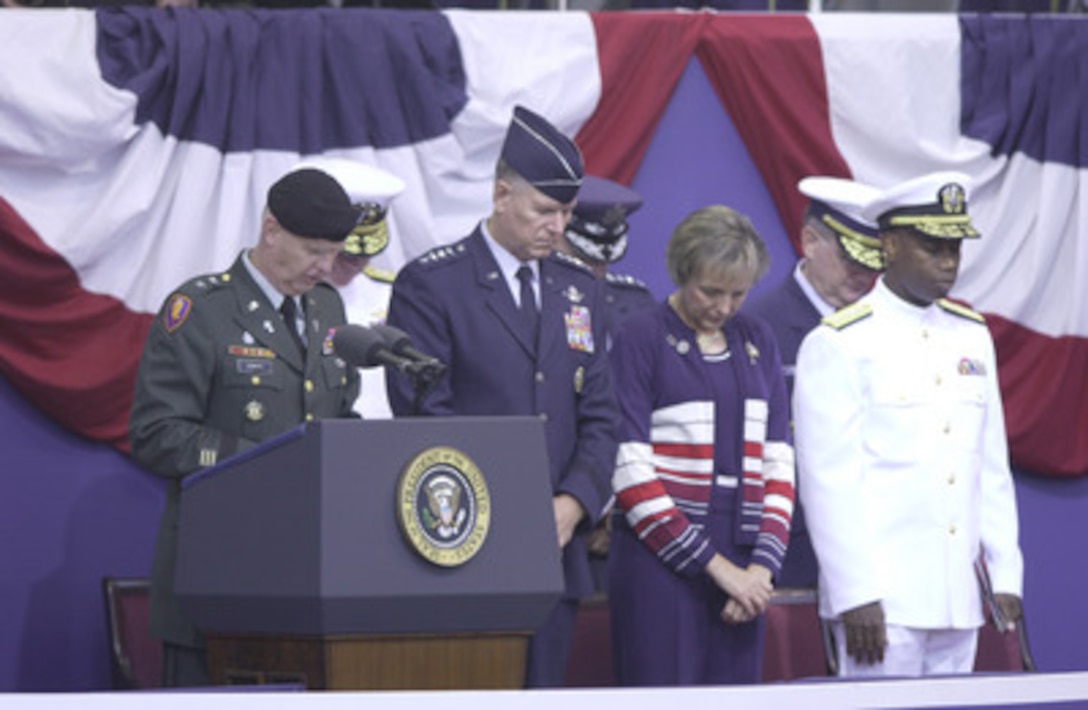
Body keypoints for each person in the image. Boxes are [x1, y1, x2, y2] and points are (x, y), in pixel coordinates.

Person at [384, 105, 617, 688]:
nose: (559, 226)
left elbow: (601, 415)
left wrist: (574, 501)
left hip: (556, 550)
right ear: (500, 195)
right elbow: (423, 413)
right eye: (545, 210)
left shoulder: (578, 288)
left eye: (566, 211)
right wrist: (502, 510)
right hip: (463, 546)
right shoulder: (433, 285)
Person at [128, 166, 363, 687]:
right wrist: (258, 461)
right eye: (313, 250)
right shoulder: (202, 310)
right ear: (271, 229)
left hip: (307, 579)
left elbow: (336, 412)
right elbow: (154, 431)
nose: (326, 266)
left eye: (334, 252)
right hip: (218, 574)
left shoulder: (327, 307)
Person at [793, 170, 1024, 678]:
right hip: (882, 601)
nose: (948, 262)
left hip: (955, 596)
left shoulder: (971, 335)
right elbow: (830, 482)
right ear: (891, 245)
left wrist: (1005, 572)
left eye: (955, 249)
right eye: (932, 248)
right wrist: (856, 593)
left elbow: (990, 467)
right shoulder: (839, 342)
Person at [608, 205, 795, 686]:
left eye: (738, 294)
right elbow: (628, 469)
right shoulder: (639, 337)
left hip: (745, 553)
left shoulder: (758, 339)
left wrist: (760, 570)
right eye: (710, 291)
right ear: (681, 270)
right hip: (659, 560)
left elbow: (778, 462)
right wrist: (718, 569)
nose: (724, 308)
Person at [744, 175, 882, 589]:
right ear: (809, 241)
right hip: (792, 548)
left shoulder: (885, 329)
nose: (863, 275)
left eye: (873, 263)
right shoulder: (756, 327)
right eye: (851, 259)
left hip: (877, 543)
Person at [555, 174, 655, 591]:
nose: (597, 271)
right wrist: (587, 502)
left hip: (628, 513)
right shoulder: (533, 303)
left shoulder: (636, 304)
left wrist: (618, 506)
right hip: (560, 502)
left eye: (604, 260)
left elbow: (642, 411)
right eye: (585, 257)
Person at [300, 156, 406, 419]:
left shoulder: (393, 293)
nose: (355, 263)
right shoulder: (287, 293)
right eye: (345, 254)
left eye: (365, 254)